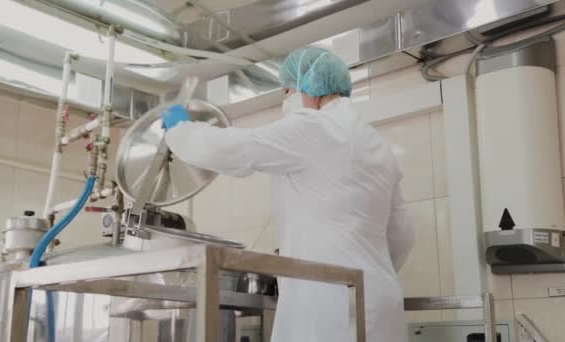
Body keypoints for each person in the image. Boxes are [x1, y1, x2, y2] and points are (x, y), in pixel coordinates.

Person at [162, 46, 415, 342]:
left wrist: (180, 131)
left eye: (286, 92)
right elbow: (403, 235)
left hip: (328, 302)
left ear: (309, 88)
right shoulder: (378, 146)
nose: (286, 101)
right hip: (379, 300)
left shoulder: (315, 127)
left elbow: (237, 148)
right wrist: (366, 269)